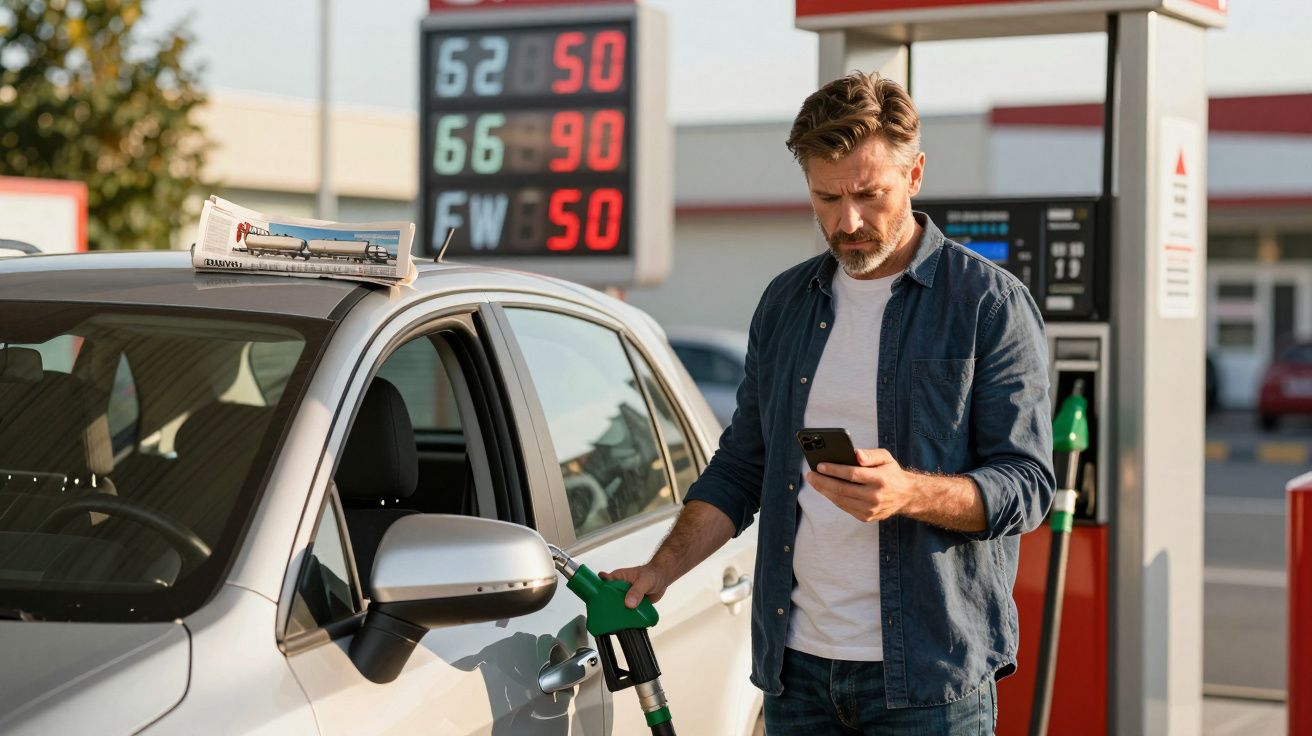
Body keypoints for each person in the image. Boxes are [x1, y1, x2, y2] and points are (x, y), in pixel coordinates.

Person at [603, 71, 1055, 734]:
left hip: (930, 682)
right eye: (826, 197)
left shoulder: (987, 305)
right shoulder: (786, 304)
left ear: (916, 174)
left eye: (869, 195)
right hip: (798, 674)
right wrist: (661, 567)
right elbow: (742, 466)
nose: (848, 222)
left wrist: (907, 492)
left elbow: (1028, 486)